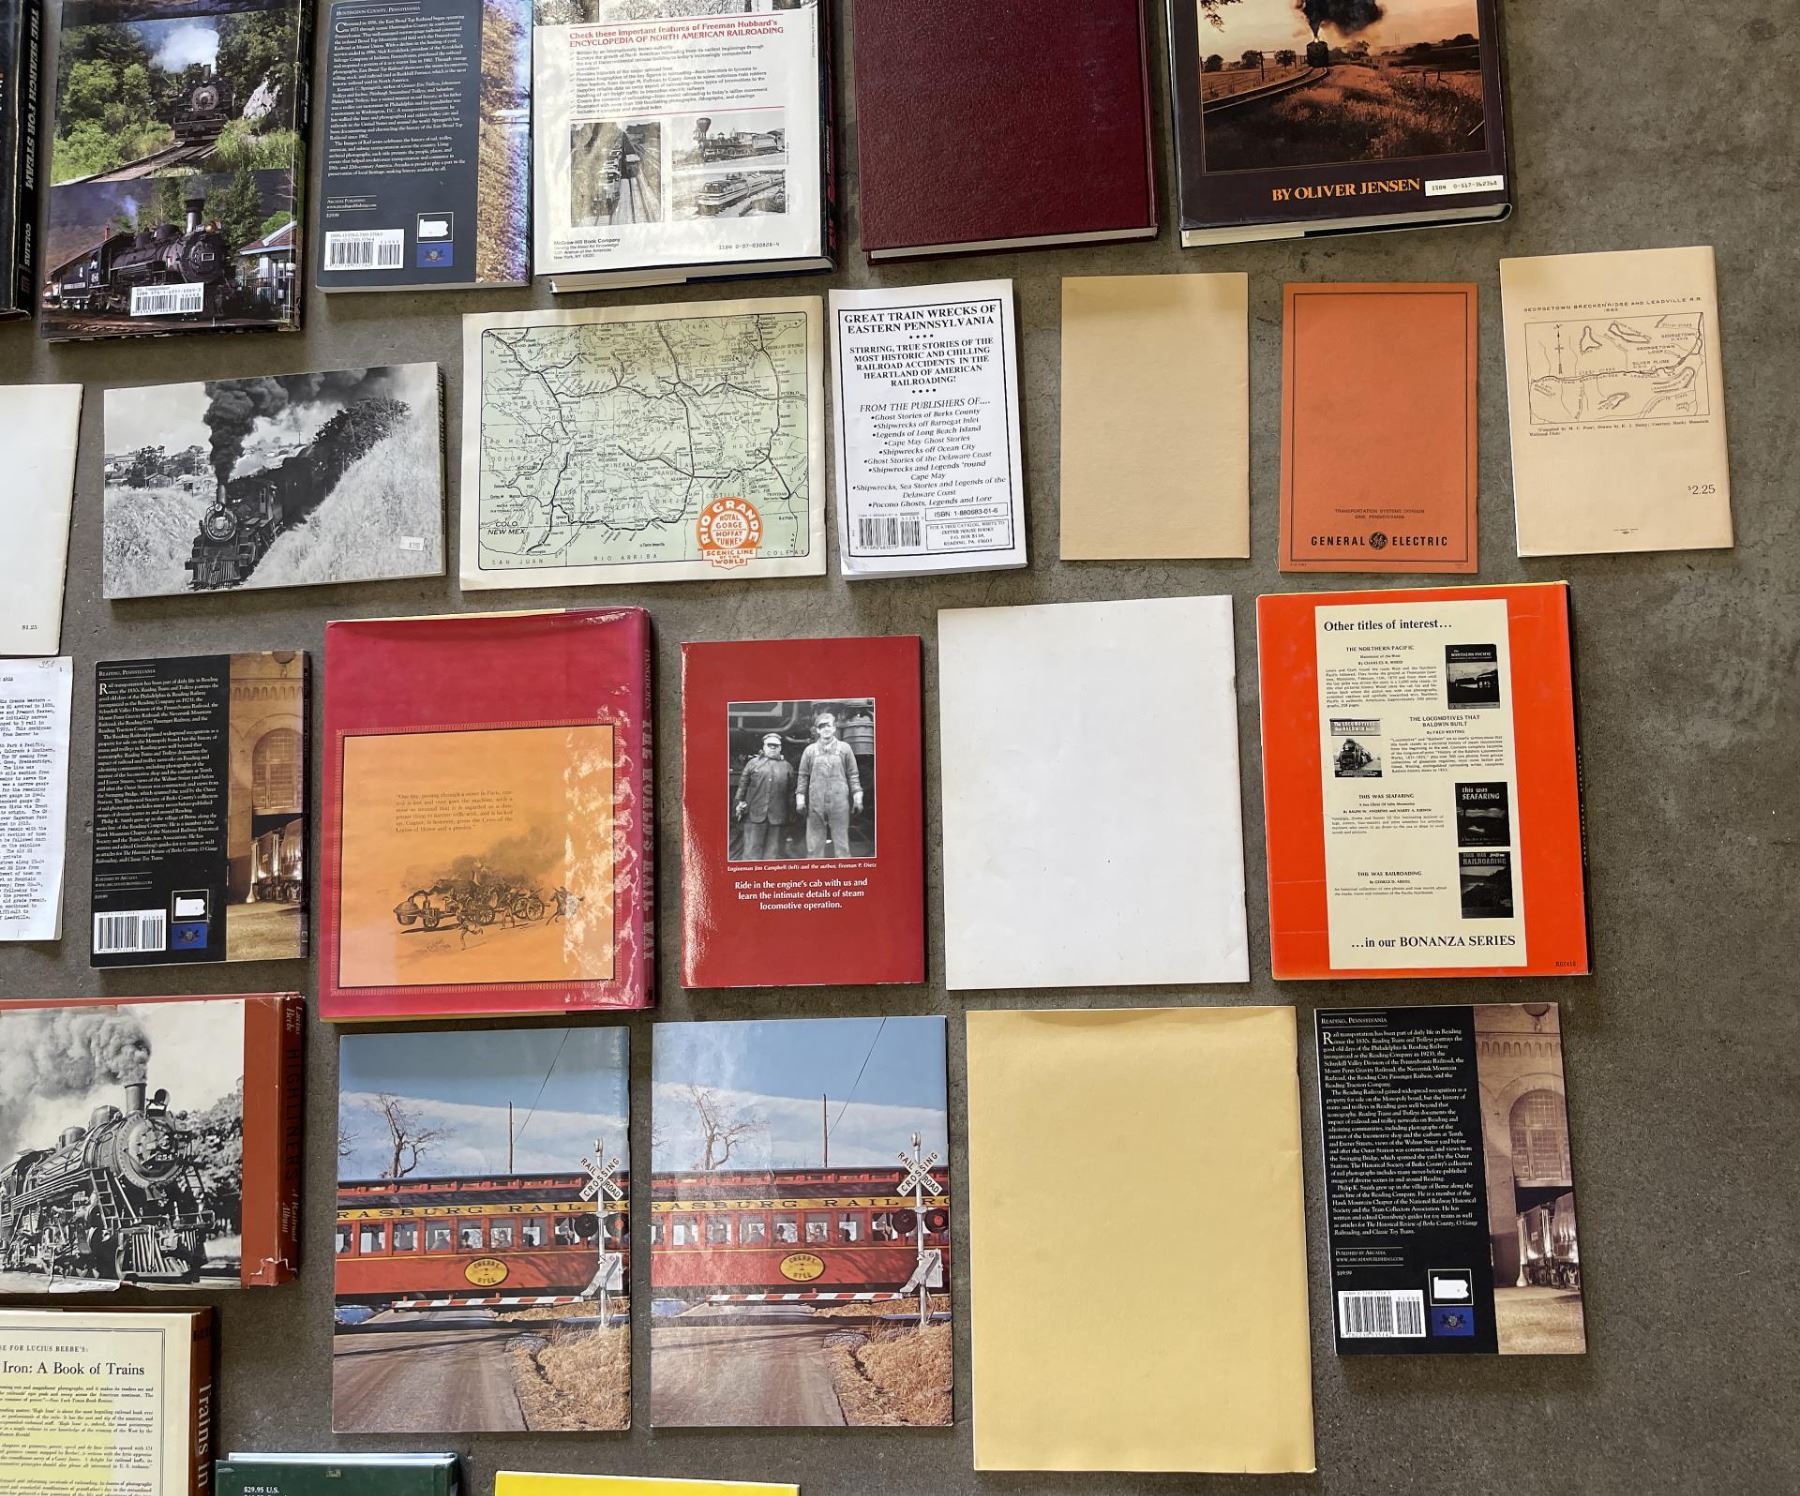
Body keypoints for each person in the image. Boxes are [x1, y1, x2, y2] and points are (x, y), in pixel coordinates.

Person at [796, 710, 862, 858]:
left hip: (839, 803)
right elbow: (802, 777)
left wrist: (858, 798)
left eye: (828, 725)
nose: (826, 729)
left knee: (842, 845)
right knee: (814, 847)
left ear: (834, 728)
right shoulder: (809, 751)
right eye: (822, 726)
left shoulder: (845, 748)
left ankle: (843, 870)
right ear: (817, 730)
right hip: (816, 803)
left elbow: (853, 775)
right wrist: (800, 800)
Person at [734, 733, 794, 859]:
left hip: (777, 817)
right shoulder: (752, 764)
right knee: (751, 852)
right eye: (769, 745)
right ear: (764, 747)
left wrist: (790, 814)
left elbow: (791, 792)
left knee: (773, 853)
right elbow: (743, 785)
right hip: (754, 815)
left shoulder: (787, 767)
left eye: (775, 746)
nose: (772, 748)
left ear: (780, 748)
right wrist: (740, 803)